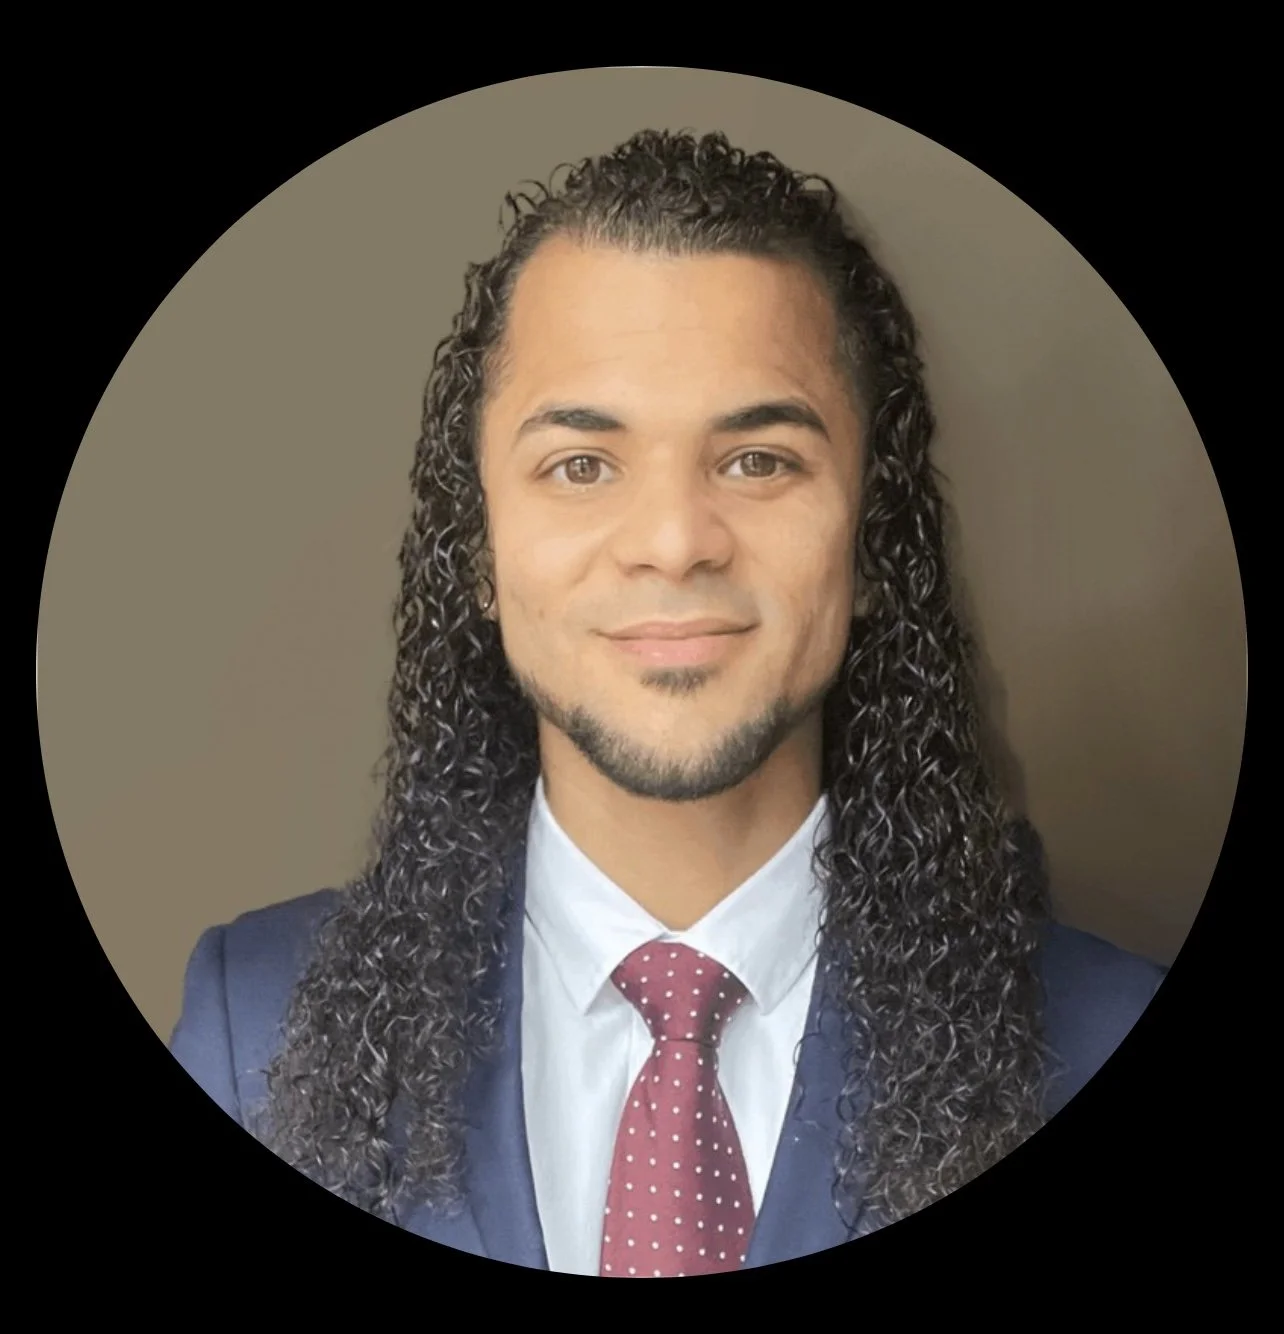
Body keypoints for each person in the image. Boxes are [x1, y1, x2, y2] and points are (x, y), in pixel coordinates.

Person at [169, 128, 1166, 1276]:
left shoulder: (1096, 1040)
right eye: (581, 465)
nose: (673, 540)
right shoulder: (253, 1035)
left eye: (758, 460)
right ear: (479, 549)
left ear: (876, 535)